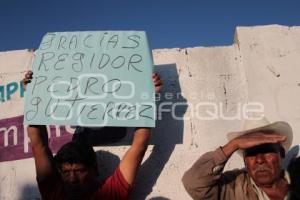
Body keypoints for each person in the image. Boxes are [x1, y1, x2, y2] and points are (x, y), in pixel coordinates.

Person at [24, 71, 162, 200]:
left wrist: (147, 98)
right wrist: (33, 96)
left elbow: (139, 146)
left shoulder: (112, 193)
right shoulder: (54, 192)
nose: (72, 179)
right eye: (66, 172)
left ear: (94, 169)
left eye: (79, 171)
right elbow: (38, 145)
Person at [182, 117, 296, 200]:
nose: (260, 160)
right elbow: (193, 184)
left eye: (266, 150)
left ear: (281, 153)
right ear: (245, 161)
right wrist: (233, 145)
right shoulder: (233, 188)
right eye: (252, 153)